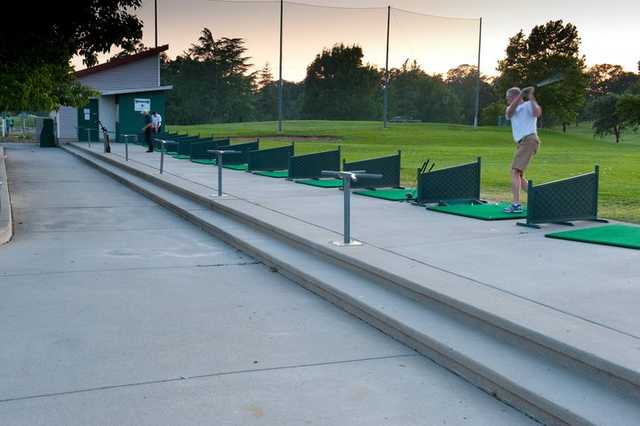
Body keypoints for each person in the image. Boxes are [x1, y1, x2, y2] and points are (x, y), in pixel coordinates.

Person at [504, 86, 542, 213]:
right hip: (522, 143)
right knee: (518, 174)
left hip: (529, 140)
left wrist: (530, 96)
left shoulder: (528, 105)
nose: (507, 100)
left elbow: (537, 113)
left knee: (514, 172)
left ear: (512, 97)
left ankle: (516, 204)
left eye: (508, 98)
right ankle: (538, 198)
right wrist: (521, 95)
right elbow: (509, 113)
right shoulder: (511, 108)